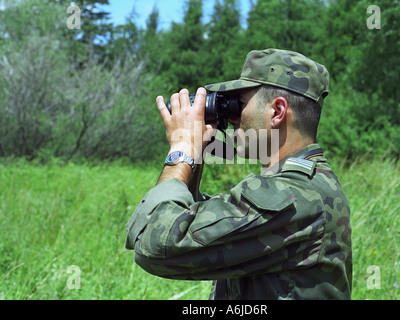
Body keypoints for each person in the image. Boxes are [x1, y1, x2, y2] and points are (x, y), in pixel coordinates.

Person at [125, 48, 352, 300]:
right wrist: (197, 153)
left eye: (238, 104)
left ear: (277, 112)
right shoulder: (305, 185)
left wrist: (181, 149)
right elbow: (199, 225)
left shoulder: (292, 195)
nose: (232, 119)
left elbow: (157, 246)